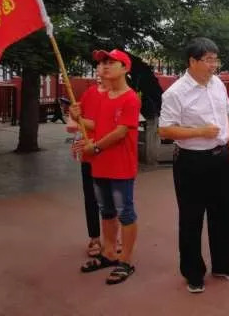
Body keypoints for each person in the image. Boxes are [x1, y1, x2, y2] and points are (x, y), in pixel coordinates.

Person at [159, 38, 229, 293]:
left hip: (220, 159)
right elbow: (165, 129)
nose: (213, 65)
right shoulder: (176, 93)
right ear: (192, 61)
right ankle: (193, 272)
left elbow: (227, 115)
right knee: (191, 218)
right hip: (191, 162)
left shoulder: (217, 84)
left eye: (215, 59)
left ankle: (222, 264)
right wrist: (200, 132)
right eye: (208, 59)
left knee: (222, 214)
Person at [73, 49, 141, 285]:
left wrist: (96, 147)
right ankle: (109, 253)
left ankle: (127, 260)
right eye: (104, 63)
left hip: (120, 165)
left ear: (125, 68)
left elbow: (121, 131)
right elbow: (97, 124)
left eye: (112, 63)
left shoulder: (130, 98)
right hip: (99, 164)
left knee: (125, 212)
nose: (106, 66)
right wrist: (77, 117)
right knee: (107, 211)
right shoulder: (103, 96)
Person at [70, 62, 108, 258]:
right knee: (91, 197)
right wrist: (74, 116)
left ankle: (113, 237)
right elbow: (77, 119)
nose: (102, 70)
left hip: (110, 154)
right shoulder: (90, 93)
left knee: (113, 198)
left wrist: (96, 139)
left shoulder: (124, 96)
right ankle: (94, 237)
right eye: (100, 66)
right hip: (88, 154)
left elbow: (118, 128)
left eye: (107, 65)